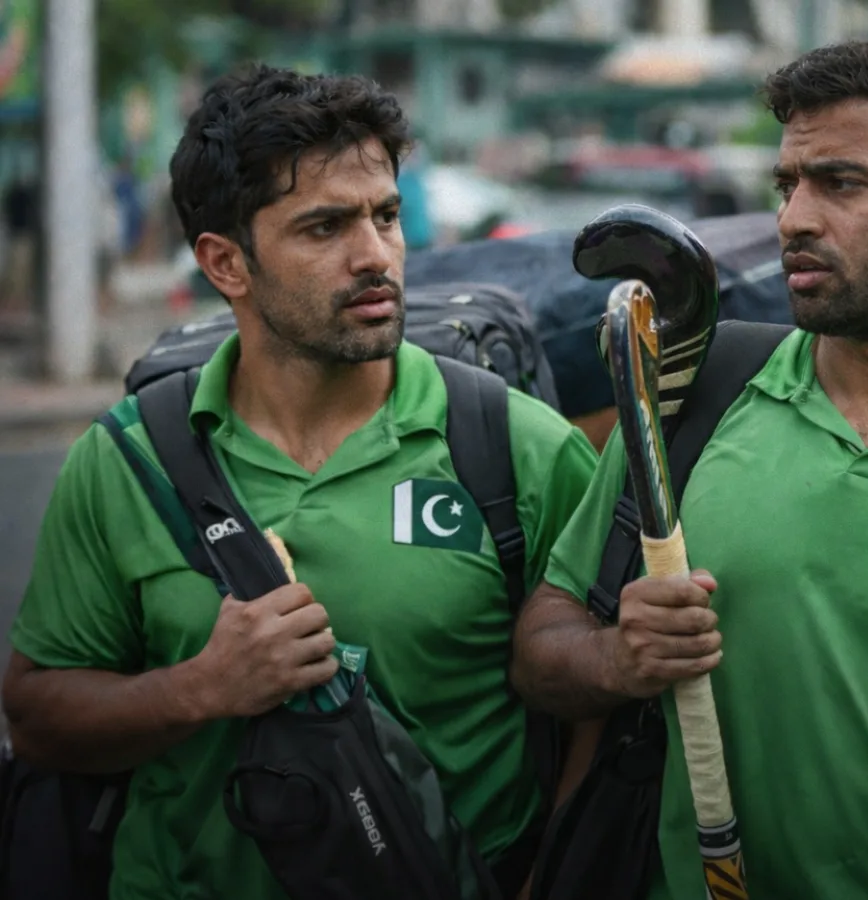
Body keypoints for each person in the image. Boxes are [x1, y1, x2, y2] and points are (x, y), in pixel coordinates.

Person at [513, 40, 868, 900]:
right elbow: (540, 648)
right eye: (788, 185)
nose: (792, 220)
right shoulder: (691, 398)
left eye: (841, 183)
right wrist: (612, 658)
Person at [2, 64, 598, 899]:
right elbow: (35, 716)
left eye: (386, 216)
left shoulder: (512, 445)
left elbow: (603, 706)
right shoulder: (125, 461)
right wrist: (200, 688)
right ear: (226, 263)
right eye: (324, 228)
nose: (376, 256)